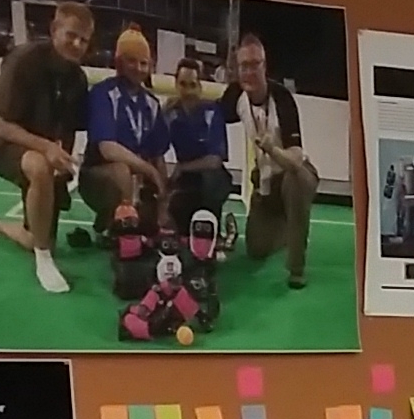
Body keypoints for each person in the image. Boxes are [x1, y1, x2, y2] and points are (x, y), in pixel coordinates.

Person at [0, 0, 93, 294]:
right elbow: (2, 125)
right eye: (71, 35)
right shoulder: (24, 60)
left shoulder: (77, 78)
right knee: (38, 165)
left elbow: (68, 129)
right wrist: (48, 149)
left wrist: (62, 165)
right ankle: (44, 261)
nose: (77, 44)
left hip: (38, 148)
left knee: (37, 236)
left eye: (84, 40)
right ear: (54, 29)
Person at [227, 31, 317, 288]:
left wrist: (272, 149)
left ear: (264, 66)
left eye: (255, 65)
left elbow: (296, 159)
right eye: (244, 66)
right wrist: (179, 101)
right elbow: (211, 113)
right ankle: (286, 226)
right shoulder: (236, 96)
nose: (249, 72)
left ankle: (296, 268)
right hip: (266, 185)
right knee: (256, 249)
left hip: (292, 174)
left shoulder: (282, 98)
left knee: (297, 181)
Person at [83, 26, 169, 238]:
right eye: (131, 61)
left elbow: (158, 156)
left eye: (144, 63)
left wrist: (163, 205)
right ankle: (120, 226)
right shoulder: (103, 93)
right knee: (121, 170)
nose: (138, 68)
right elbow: (108, 148)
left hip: (135, 180)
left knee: (150, 227)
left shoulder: (151, 103)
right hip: (98, 177)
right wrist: (148, 170)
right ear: (119, 62)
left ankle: (111, 220)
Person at [163, 54, 231, 234]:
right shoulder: (169, 114)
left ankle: (212, 227)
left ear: (200, 86)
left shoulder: (212, 111)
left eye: (192, 85)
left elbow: (215, 160)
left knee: (211, 182)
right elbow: (154, 149)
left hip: (212, 178)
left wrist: (181, 167)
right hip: (187, 180)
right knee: (178, 219)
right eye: (183, 84)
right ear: (176, 85)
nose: (188, 91)